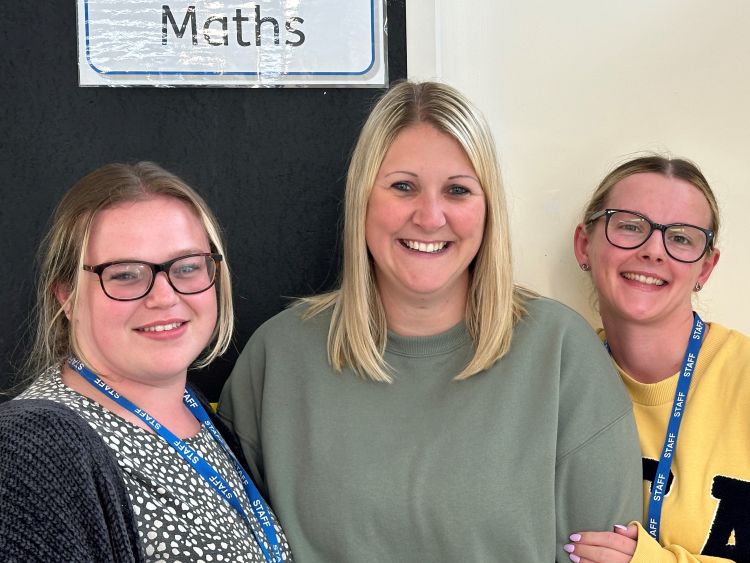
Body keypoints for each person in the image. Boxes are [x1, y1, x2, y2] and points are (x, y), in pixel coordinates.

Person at [218, 80, 642, 562]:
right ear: (362, 199)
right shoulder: (279, 357)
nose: (430, 216)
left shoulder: (561, 351)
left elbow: (602, 554)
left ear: (488, 211)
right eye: (403, 187)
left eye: (458, 191)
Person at [0, 162, 292, 562]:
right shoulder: (30, 450)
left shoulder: (199, 414)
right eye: (124, 275)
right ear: (67, 297)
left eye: (187, 267)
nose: (163, 296)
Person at [569, 155, 750, 562]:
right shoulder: (556, 382)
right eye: (630, 226)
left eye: (682, 238)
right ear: (584, 244)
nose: (653, 251)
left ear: (706, 266)